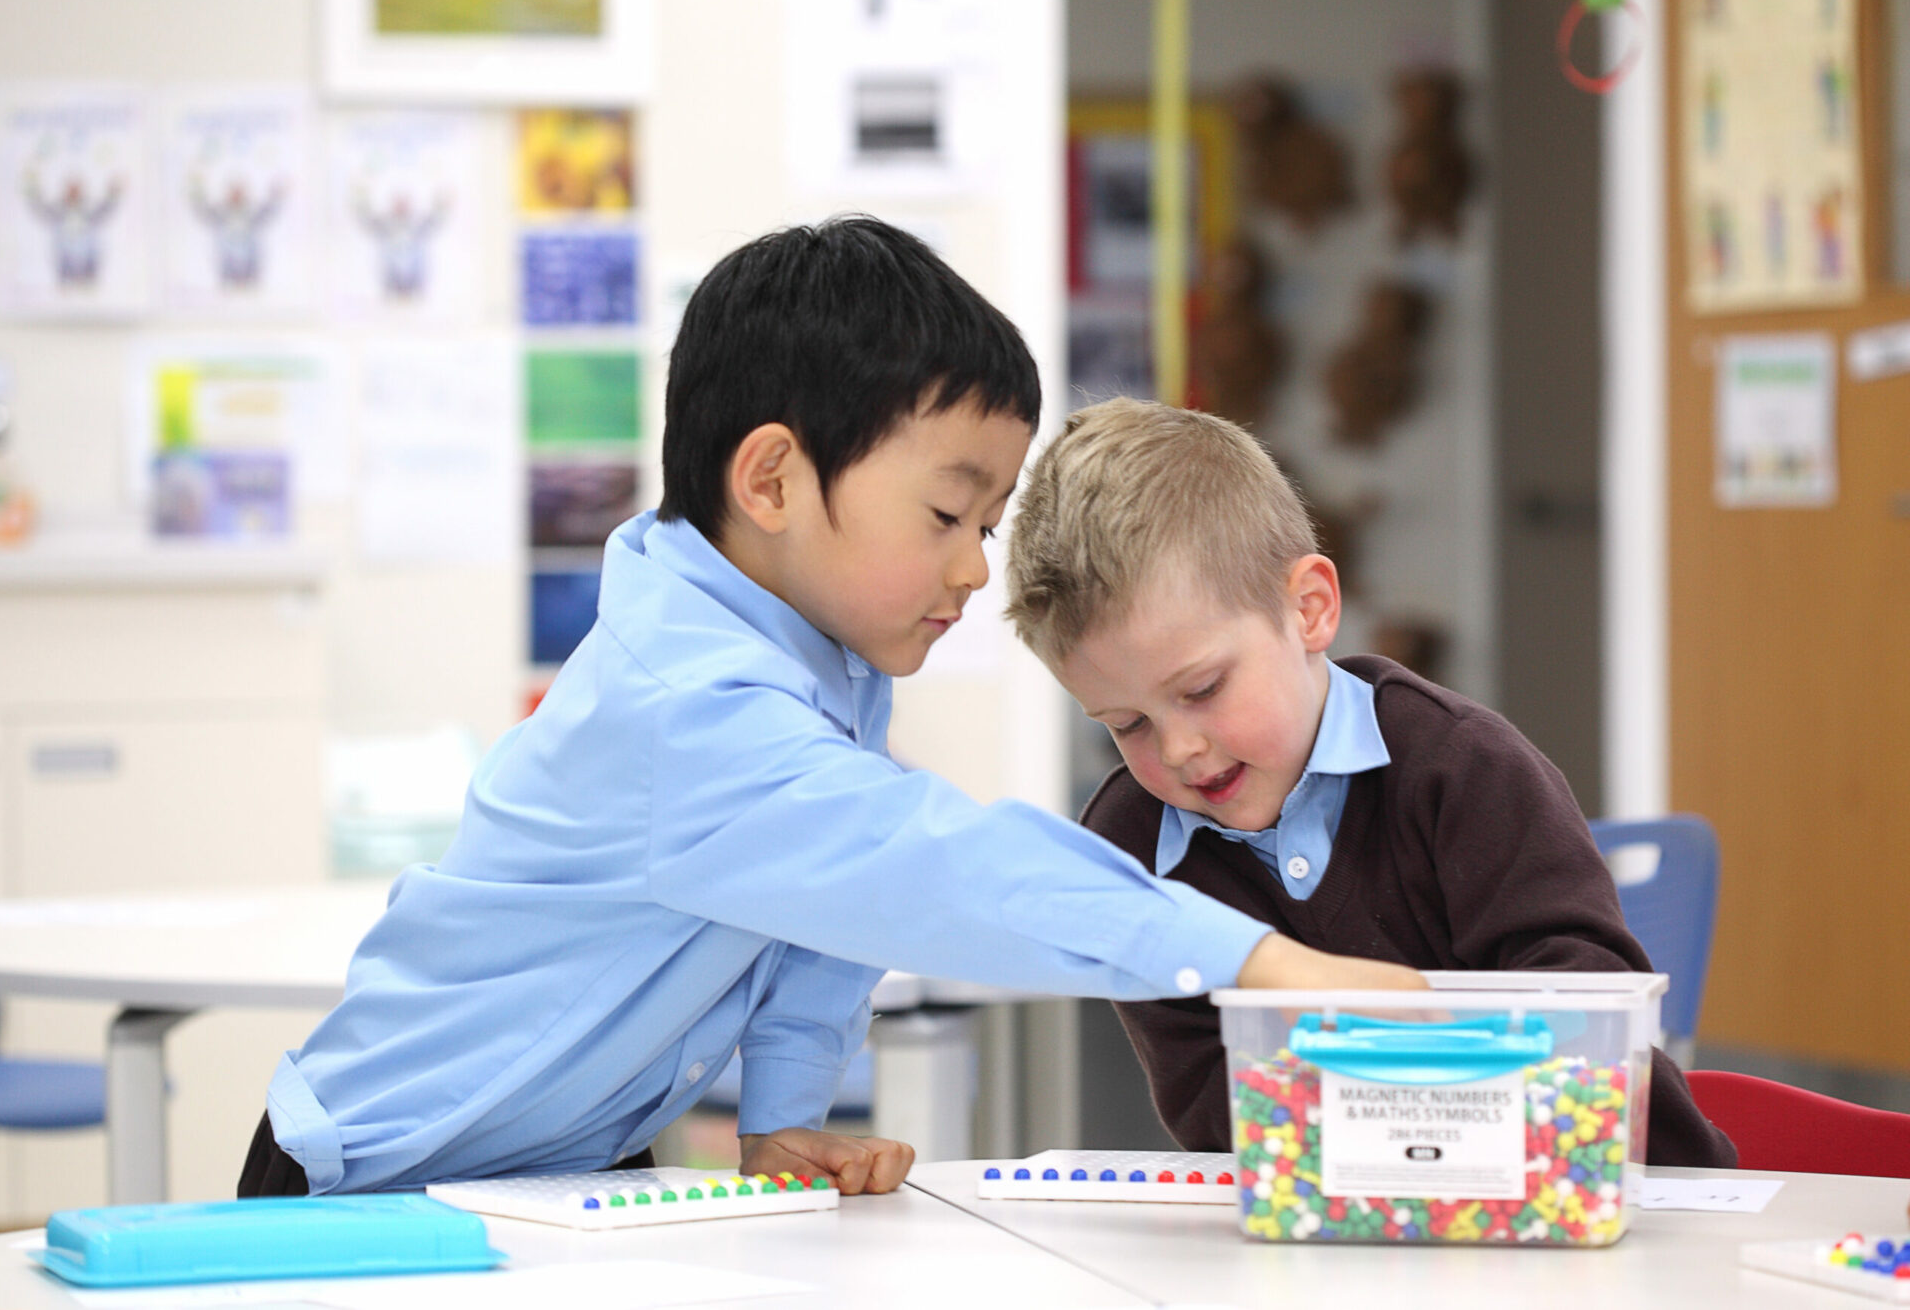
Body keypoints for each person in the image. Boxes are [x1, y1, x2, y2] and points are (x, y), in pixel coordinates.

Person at [239, 218, 1422, 1200]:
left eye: (991, 525)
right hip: (378, 1174)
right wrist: (1252, 959)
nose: (974, 569)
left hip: (565, 1164)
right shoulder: (689, 704)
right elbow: (926, 868)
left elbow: (821, 915)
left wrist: (783, 1111)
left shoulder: (817, 663)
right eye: (948, 515)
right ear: (771, 481)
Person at [1002, 396, 1737, 1167]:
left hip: (1622, 1199)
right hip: (1353, 1222)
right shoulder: (1129, 842)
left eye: (1203, 689)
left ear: (1310, 609)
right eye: (1127, 725)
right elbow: (1211, 1101)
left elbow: (1588, 1005)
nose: (1180, 748)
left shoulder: (1463, 768)